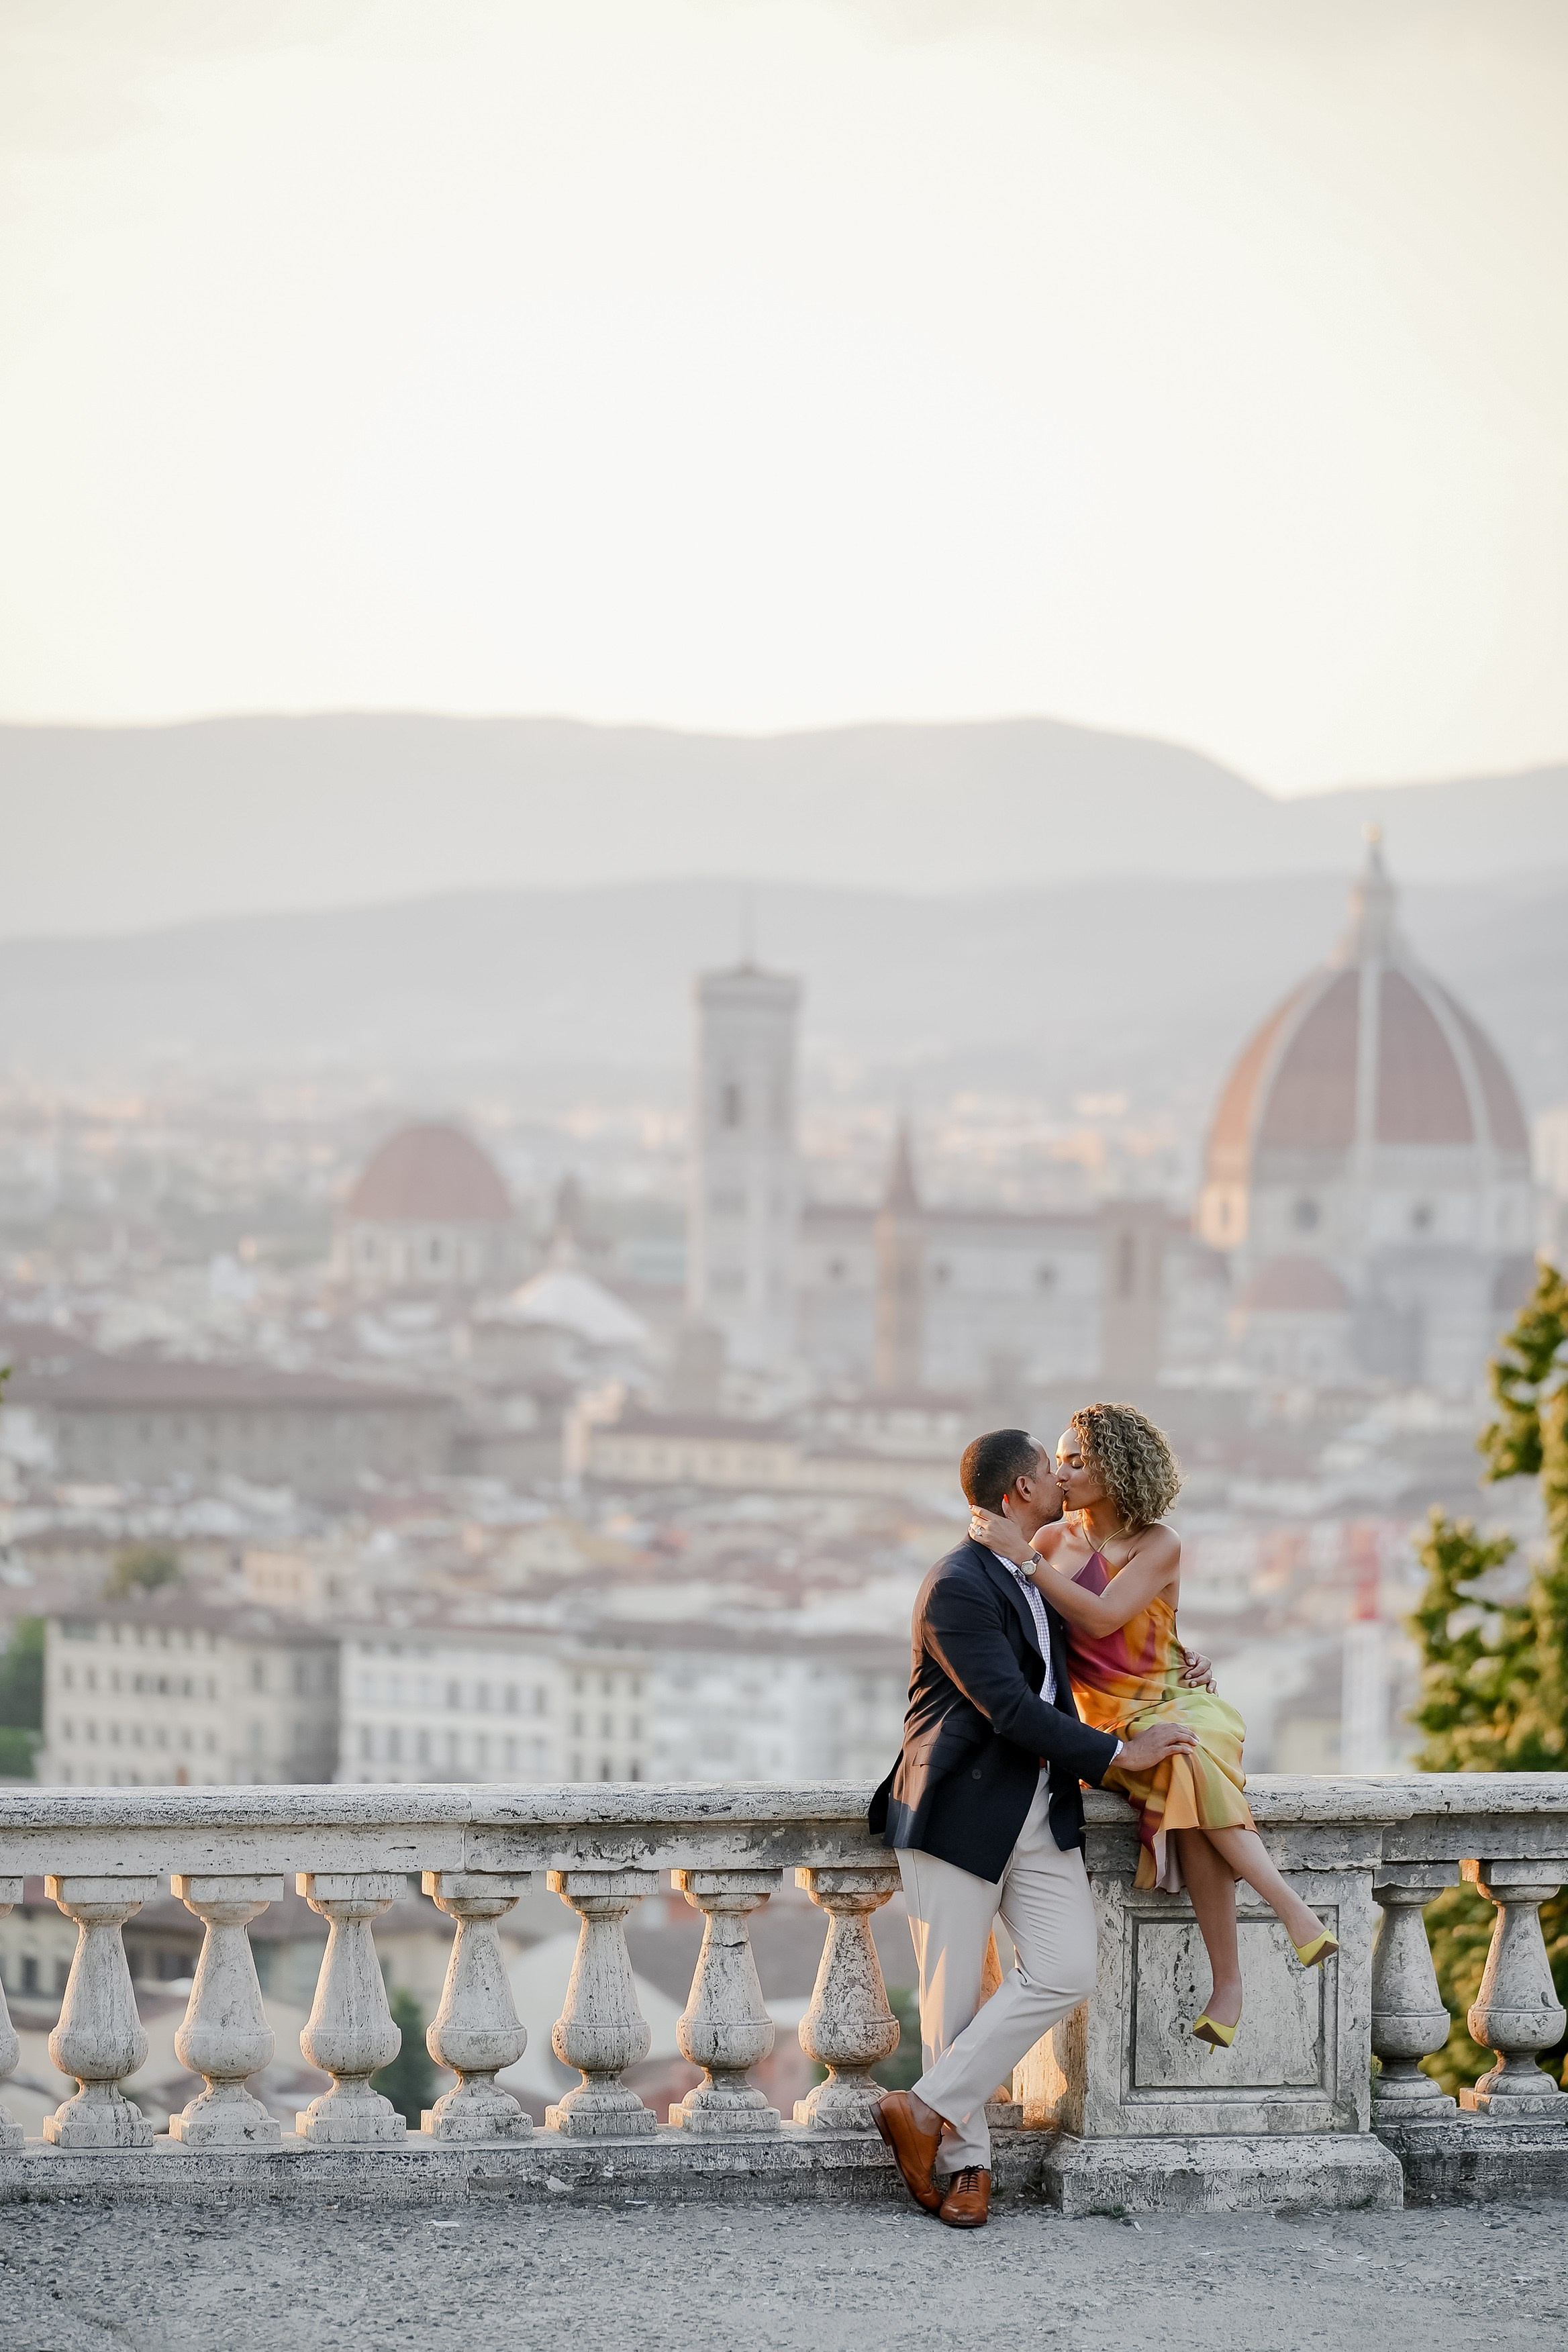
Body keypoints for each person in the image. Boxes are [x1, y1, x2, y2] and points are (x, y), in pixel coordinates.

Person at [868, 1426, 1210, 2228]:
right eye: (1048, 1469)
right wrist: (1121, 1756)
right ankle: (967, 2165)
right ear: (1020, 1490)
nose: (1061, 1477)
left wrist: (1179, 1660)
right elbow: (1010, 1709)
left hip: (1041, 1805)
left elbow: (1100, 1641)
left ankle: (920, 2110)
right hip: (957, 1806)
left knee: (1064, 1968)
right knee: (952, 2001)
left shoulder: (1036, 1566)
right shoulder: (955, 1583)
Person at [969, 1400, 1338, 2061]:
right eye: (1058, 1460)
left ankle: (1239, 1974)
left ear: (1115, 1467)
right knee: (1180, 1770)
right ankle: (1286, 1915)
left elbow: (1106, 1618)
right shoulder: (1048, 1544)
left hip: (1177, 1699)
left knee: (1184, 1760)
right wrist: (1024, 1556)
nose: (1060, 1472)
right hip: (1109, 1719)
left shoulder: (1156, 1543)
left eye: (1075, 1460)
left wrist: (1027, 1562)